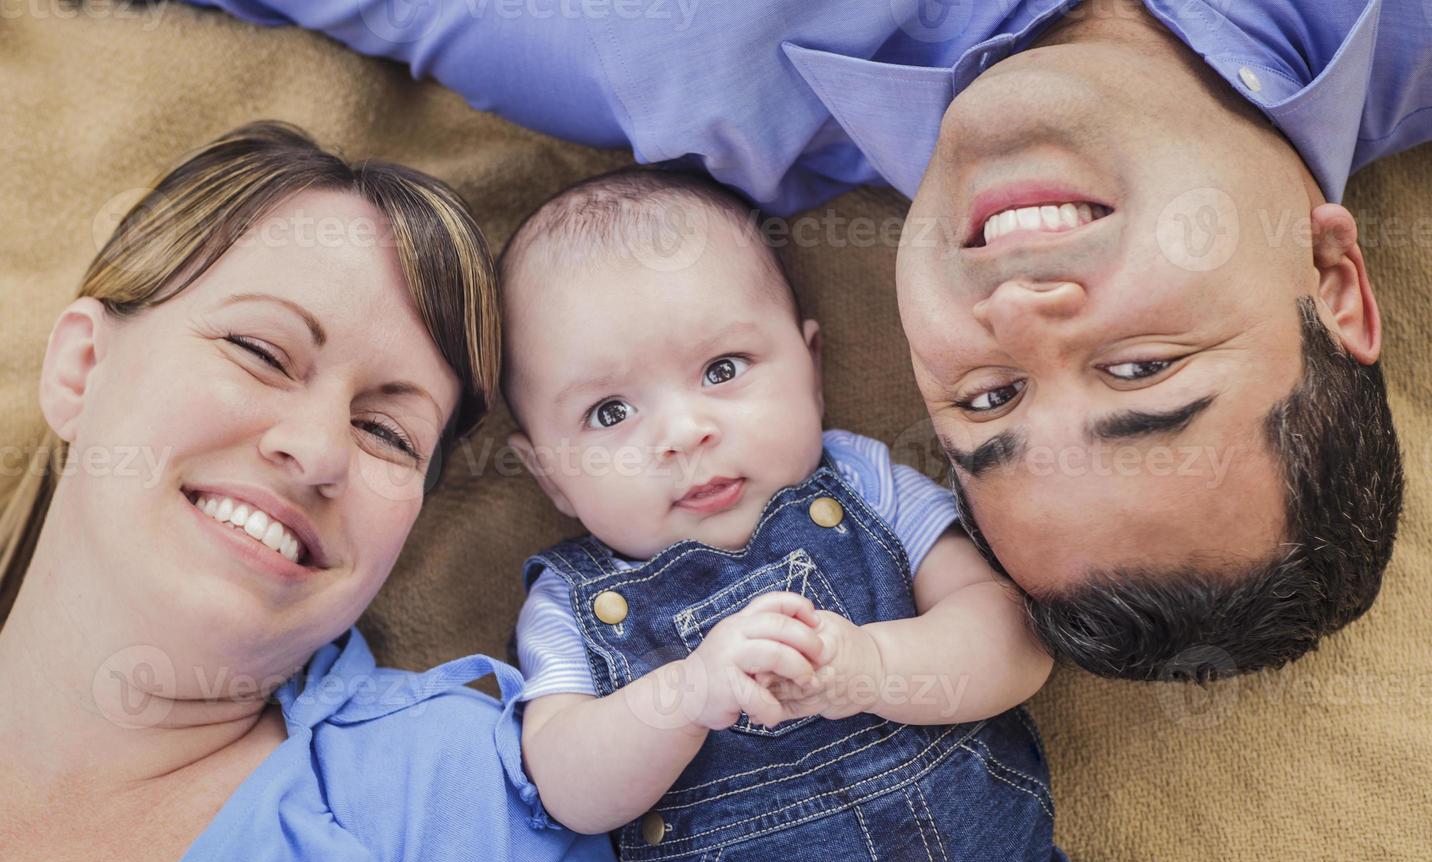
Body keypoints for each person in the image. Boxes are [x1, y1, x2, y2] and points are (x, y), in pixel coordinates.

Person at [179, 0, 1415, 680]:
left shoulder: (676, 75)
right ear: (1334, 278)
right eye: (1139, 372)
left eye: (984, 404)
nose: (1018, 314)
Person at [499, 166, 1299, 862]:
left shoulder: (867, 484)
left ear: (809, 369)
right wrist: (688, 695)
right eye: (610, 413)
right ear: (549, 474)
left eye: (724, 369)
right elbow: (565, 784)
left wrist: (877, 665)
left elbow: (1012, 640)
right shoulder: (569, 601)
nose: (683, 430)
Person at [0, 121, 659, 862]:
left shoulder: (468, 805)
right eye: (261, 352)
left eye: (387, 432)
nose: (316, 451)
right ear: (82, 369)